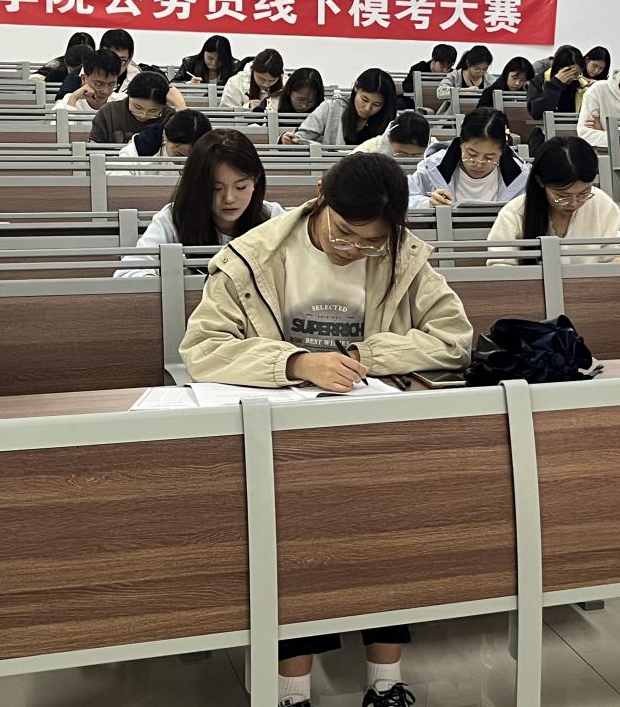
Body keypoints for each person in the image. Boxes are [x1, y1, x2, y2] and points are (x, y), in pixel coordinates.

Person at [180, 152, 473, 707]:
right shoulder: (254, 256)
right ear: (320, 196)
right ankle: (291, 692)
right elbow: (203, 349)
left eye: (371, 242)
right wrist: (294, 362)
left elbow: (454, 339)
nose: (352, 249)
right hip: (281, 442)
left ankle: (386, 684)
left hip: (372, 436)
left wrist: (366, 355)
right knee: (292, 548)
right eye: (343, 233)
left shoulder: (403, 257)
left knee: (388, 536)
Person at [116, 129, 286, 277]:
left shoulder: (274, 218)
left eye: (240, 187)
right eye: (215, 188)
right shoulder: (174, 219)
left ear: (256, 181)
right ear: (197, 185)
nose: (229, 198)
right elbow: (128, 273)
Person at [489, 136, 620, 264]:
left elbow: (612, 257)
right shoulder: (514, 213)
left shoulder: (602, 204)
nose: (574, 203)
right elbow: (502, 268)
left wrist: (617, 262)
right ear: (540, 181)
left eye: (584, 194)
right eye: (563, 196)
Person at [407, 107, 529, 208]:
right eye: (471, 154)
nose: (479, 163)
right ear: (460, 143)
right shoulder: (433, 167)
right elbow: (404, 199)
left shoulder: (520, 176)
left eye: (489, 157)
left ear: (502, 151)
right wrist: (428, 203)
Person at [283, 69, 396, 147]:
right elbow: (301, 137)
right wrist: (287, 139)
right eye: (364, 99)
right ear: (355, 88)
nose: (367, 108)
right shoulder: (331, 108)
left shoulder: (392, 121)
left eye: (377, 104)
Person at [90, 71, 176, 145]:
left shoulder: (170, 117)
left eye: (153, 111)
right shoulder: (108, 112)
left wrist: (180, 105)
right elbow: (94, 148)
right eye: (138, 107)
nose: (143, 115)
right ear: (129, 96)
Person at [119, 108, 213, 159]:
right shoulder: (140, 148)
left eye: (194, 157)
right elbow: (118, 175)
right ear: (165, 136)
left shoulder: (212, 154)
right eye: (179, 155)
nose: (185, 162)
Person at [526, 45, 587, 122]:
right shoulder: (539, 80)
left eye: (576, 74)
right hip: (546, 127)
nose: (572, 77)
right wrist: (556, 84)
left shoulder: (582, 84)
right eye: (568, 72)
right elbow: (536, 113)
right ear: (558, 68)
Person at [54, 48, 123, 112]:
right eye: (99, 84)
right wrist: (73, 99)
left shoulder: (121, 102)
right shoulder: (69, 100)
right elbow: (58, 121)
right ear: (84, 78)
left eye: (111, 85)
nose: (105, 91)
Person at [353, 111, 432, 158]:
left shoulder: (434, 151)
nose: (409, 160)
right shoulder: (366, 153)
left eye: (417, 155)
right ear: (389, 139)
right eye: (402, 154)